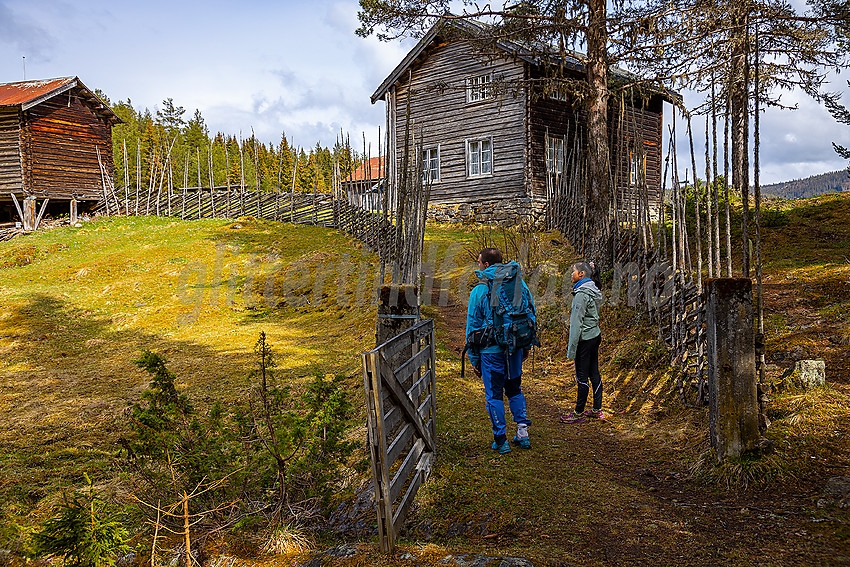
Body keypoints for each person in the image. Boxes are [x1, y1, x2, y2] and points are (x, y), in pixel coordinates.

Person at [466, 247, 534, 454]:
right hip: (514, 348)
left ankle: (501, 439)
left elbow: (472, 327)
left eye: (479, 262)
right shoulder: (519, 284)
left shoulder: (479, 290)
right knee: (514, 389)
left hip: (490, 352)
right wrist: (526, 346)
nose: (478, 266)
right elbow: (529, 316)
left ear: (486, 265)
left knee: (494, 394)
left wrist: (474, 359)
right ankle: (523, 433)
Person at [561, 261, 605, 424]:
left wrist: (572, 350)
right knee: (594, 372)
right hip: (595, 335)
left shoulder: (581, 294)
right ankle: (597, 409)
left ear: (581, 274)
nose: (571, 274)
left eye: (573, 271)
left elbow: (576, 324)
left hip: (585, 339)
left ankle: (578, 413)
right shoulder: (593, 289)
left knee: (581, 376)